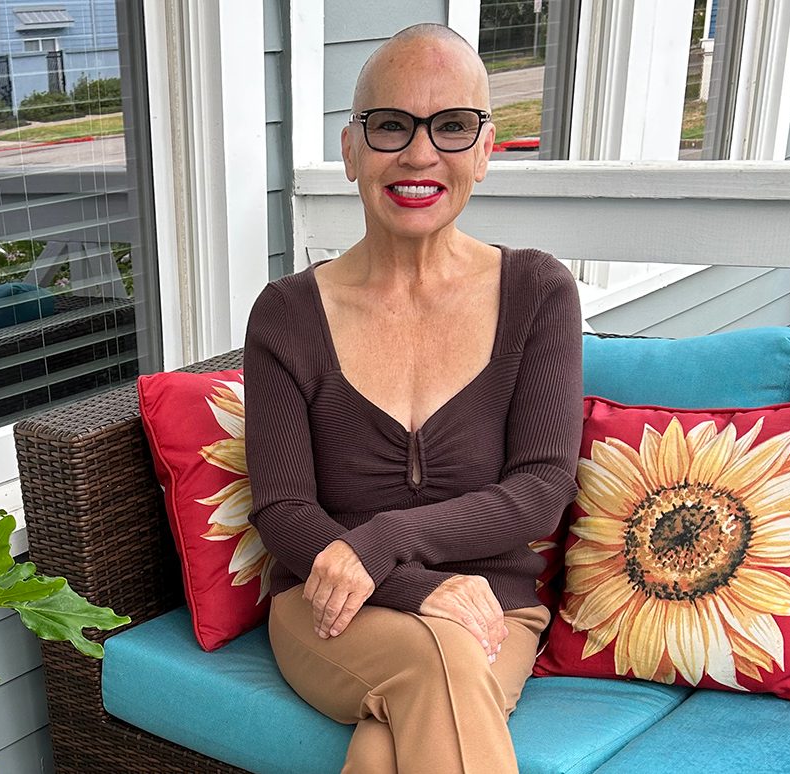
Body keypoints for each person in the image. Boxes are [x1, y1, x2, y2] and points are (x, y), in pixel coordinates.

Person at [243, 23, 582, 773]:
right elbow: (284, 509)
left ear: (485, 151)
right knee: (437, 660)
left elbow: (541, 488)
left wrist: (382, 539)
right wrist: (410, 583)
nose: (420, 155)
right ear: (351, 151)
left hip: (492, 607)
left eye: (452, 126)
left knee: (384, 751)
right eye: (391, 125)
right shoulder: (287, 313)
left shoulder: (538, 291)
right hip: (329, 604)